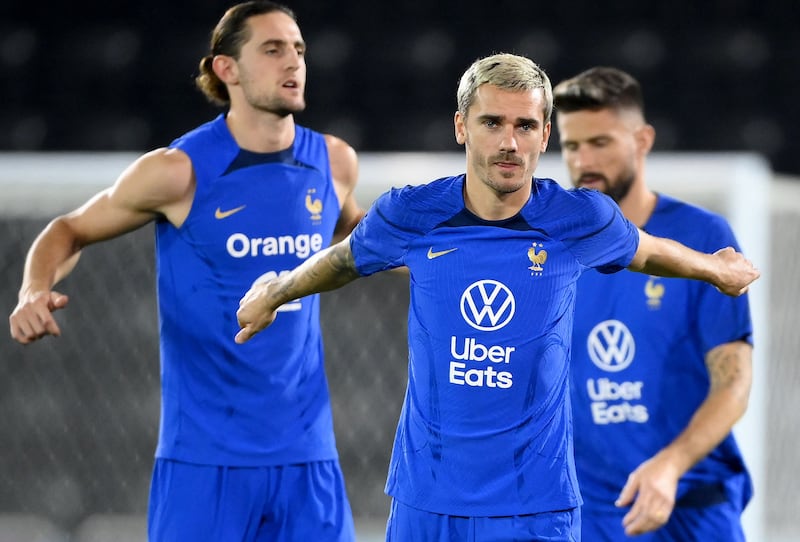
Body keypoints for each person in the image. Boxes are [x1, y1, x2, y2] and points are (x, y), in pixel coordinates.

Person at [234, 53, 759, 542]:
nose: (510, 142)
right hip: (427, 501)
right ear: (462, 126)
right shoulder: (411, 215)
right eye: (493, 123)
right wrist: (276, 292)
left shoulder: (579, 219)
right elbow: (344, 261)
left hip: (537, 508)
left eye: (525, 125)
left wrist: (715, 268)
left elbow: (647, 250)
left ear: (544, 134)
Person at [8, 2, 364, 541]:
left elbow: (366, 243)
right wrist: (34, 289)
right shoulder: (178, 171)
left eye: (298, 50)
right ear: (227, 69)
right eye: (272, 49)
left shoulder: (333, 162)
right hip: (205, 464)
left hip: (308, 459)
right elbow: (68, 230)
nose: (293, 62)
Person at [552, 66, 754, 541]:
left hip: (690, 505)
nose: (584, 161)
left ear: (642, 140)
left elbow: (735, 380)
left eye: (600, 142)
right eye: (571, 146)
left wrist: (671, 463)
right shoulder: (555, 248)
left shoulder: (703, 238)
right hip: (597, 513)